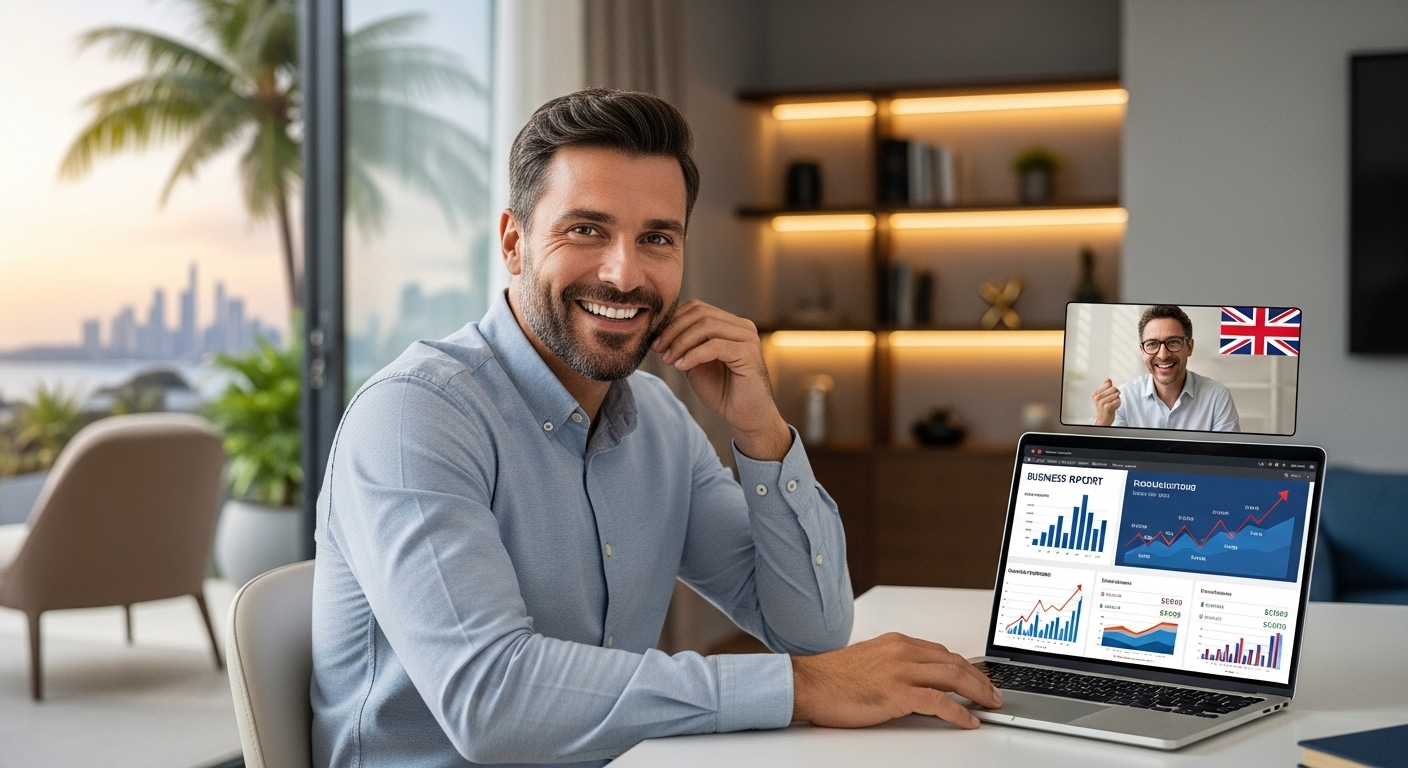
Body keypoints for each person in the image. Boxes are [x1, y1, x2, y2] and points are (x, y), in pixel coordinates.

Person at [310, 88, 1001, 768]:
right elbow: (490, 702)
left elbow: (812, 631)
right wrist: (801, 689)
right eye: (587, 230)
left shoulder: (659, 422)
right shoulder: (413, 416)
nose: (624, 273)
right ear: (514, 243)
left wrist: (763, 432)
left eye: (657, 239)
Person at [1091, 304, 1240, 432]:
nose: (1163, 355)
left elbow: (1228, 460)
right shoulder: (1124, 399)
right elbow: (1114, 459)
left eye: (1173, 342)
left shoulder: (1217, 397)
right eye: (1152, 344)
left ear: (1189, 347)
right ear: (1142, 352)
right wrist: (1102, 424)